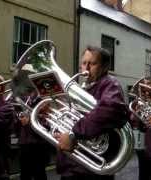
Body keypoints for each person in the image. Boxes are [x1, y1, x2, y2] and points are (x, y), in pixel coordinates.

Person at [55, 46, 129, 180]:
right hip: (73, 164)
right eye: (84, 63)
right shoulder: (82, 88)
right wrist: (59, 129)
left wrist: (73, 134)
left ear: (104, 67)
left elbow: (110, 110)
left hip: (90, 169)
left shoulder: (110, 84)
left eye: (92, 63)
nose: (86, 68)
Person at [14, 92, 49, 180]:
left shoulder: (44, 113)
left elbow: (46, 128)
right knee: (25, 174)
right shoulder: (25, 99)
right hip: (24, 145)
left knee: (39, 174)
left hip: (38, 146)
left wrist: (28, 123)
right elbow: (16, 128)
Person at [129, 77, 151, 180]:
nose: (146, 86)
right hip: (141, 135)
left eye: (149, 84)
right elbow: (131, 118)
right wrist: (137, 112)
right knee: (142, 166)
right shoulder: (138, 101)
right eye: (144, 84)